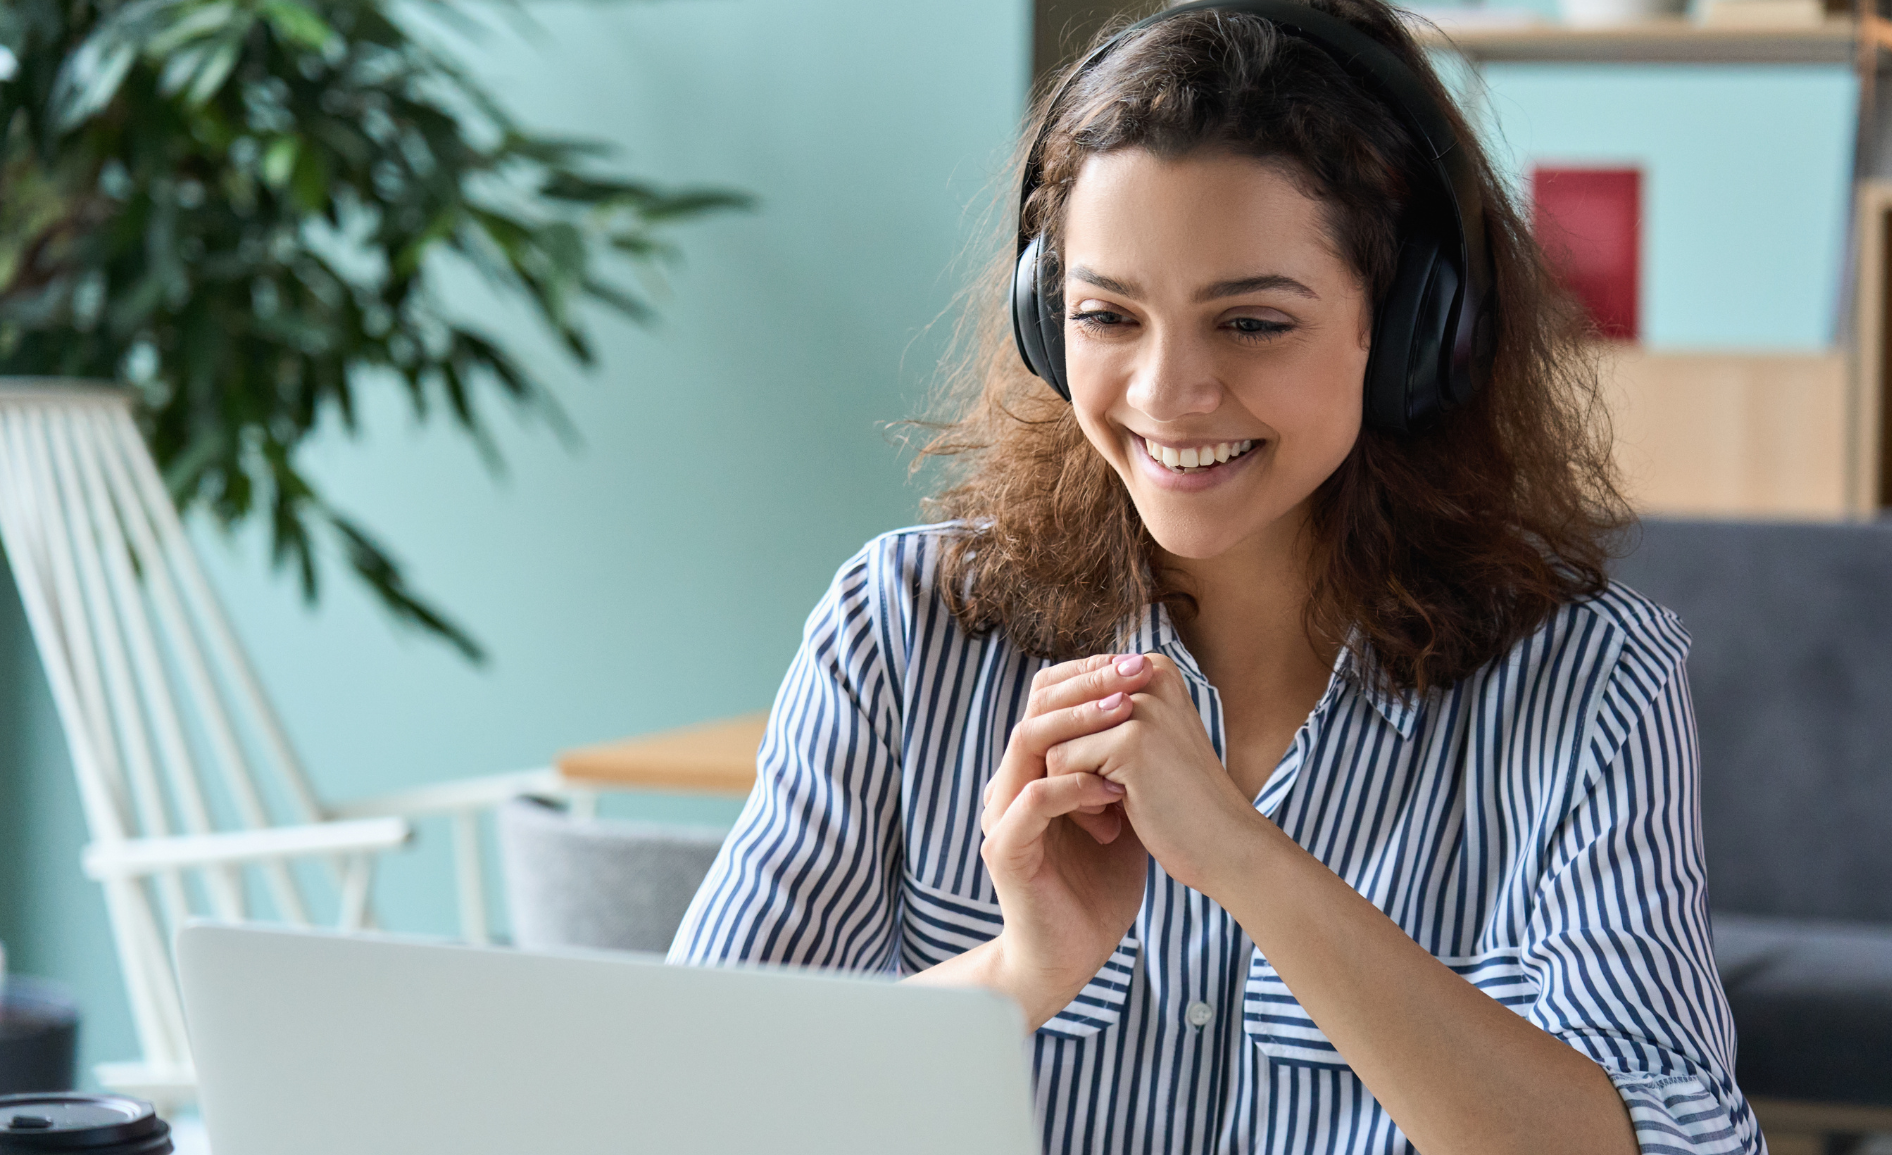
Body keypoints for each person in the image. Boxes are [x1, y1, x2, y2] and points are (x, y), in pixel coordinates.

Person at [669, 1, 1762, 1152]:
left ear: (1404, 336)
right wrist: (1017, 971)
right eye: (1106, 316)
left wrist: (1246, 862)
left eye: (1249, 322)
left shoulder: (1588, 683)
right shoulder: (901, 632)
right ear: (1045, 318)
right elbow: (680, 1112)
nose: (1164, 393)